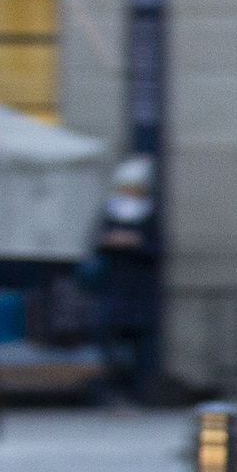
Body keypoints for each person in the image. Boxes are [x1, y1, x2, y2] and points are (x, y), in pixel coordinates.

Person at [90, 156, 162, 408]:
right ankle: (114, 393)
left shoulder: (149, 214)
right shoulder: (111, 211)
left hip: (139, 290)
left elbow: (157, 250)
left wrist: (135, 244)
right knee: (111, 345)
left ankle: (136, 394)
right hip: (115, 288)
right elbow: (97, 243)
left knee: (139, 347)